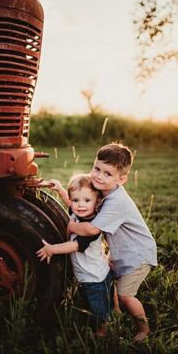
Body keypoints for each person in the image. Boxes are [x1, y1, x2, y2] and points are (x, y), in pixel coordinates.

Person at [66, 142, 158, 342]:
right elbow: (82, 205)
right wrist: (60, 191)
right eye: (97, 169)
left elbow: (91, 229)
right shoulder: (104, 192)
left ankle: (144, 328)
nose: (99, 176)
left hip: (138, 256)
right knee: (112, 281)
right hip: (122, 252)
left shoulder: (116, 202)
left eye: (107, 174)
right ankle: (116, 312)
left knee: (126, 295)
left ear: (122, 179)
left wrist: (71, 227)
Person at [36, 174, 115, 334]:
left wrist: (52, 249)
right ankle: (113, 312)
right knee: (98, 301)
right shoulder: (79, 213)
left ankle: (104, 329)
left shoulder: (91, 227)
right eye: (76, 200)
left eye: (87, 201)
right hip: (92, 273)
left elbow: (74, 245)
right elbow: (69, 204)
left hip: (94, 278)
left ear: (97, 201)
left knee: (98, 307)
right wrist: (59, 188)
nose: (80, 205)